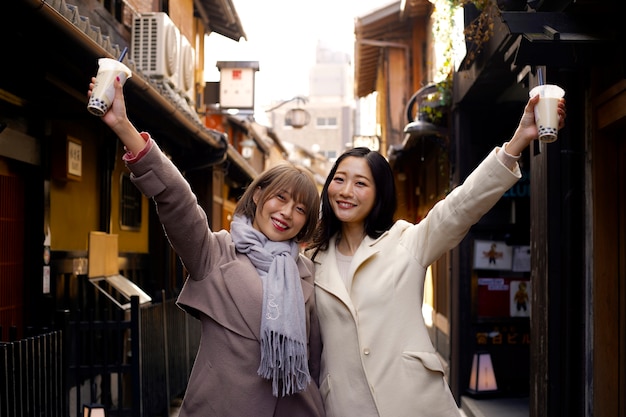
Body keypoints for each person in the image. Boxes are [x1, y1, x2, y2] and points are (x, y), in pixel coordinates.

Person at [306, 94, 566, 417]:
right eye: (339, 180)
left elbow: (459, 208)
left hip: (416, 403)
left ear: (378, 195)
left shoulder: (404, 242)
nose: (345, 191)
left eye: (361, 183)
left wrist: (517, 141)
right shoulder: (312, 262)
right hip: (346, 406)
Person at [88, 77, 325, 416]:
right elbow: (177, 200)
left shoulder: (306, 274)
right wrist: (123, 125)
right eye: (281, 198)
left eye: (301, 209)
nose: (287, 213)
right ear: (258, 195)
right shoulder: (216, 253)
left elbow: (314, 360)